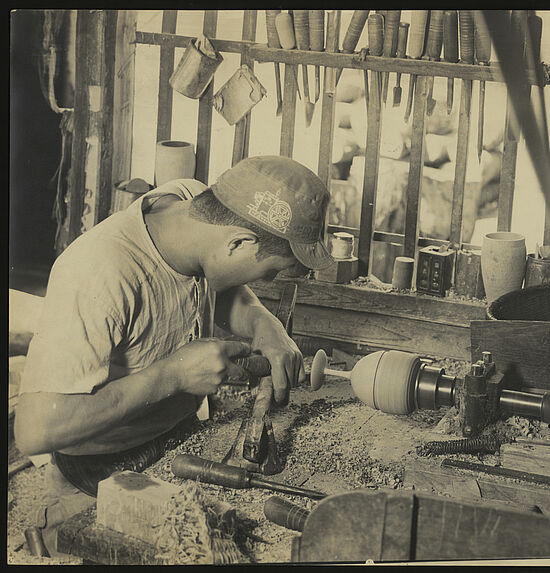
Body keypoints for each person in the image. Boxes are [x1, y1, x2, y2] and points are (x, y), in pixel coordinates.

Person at [14, 155, 334, 556]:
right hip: (98, 473)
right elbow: (34, 430)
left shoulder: (192, 203)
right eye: (269, 272)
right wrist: (175, 375)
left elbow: (219, 278)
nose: (265, 282)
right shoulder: (97, 274)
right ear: (238, 242)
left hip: (177, 441)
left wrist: (263, 324)